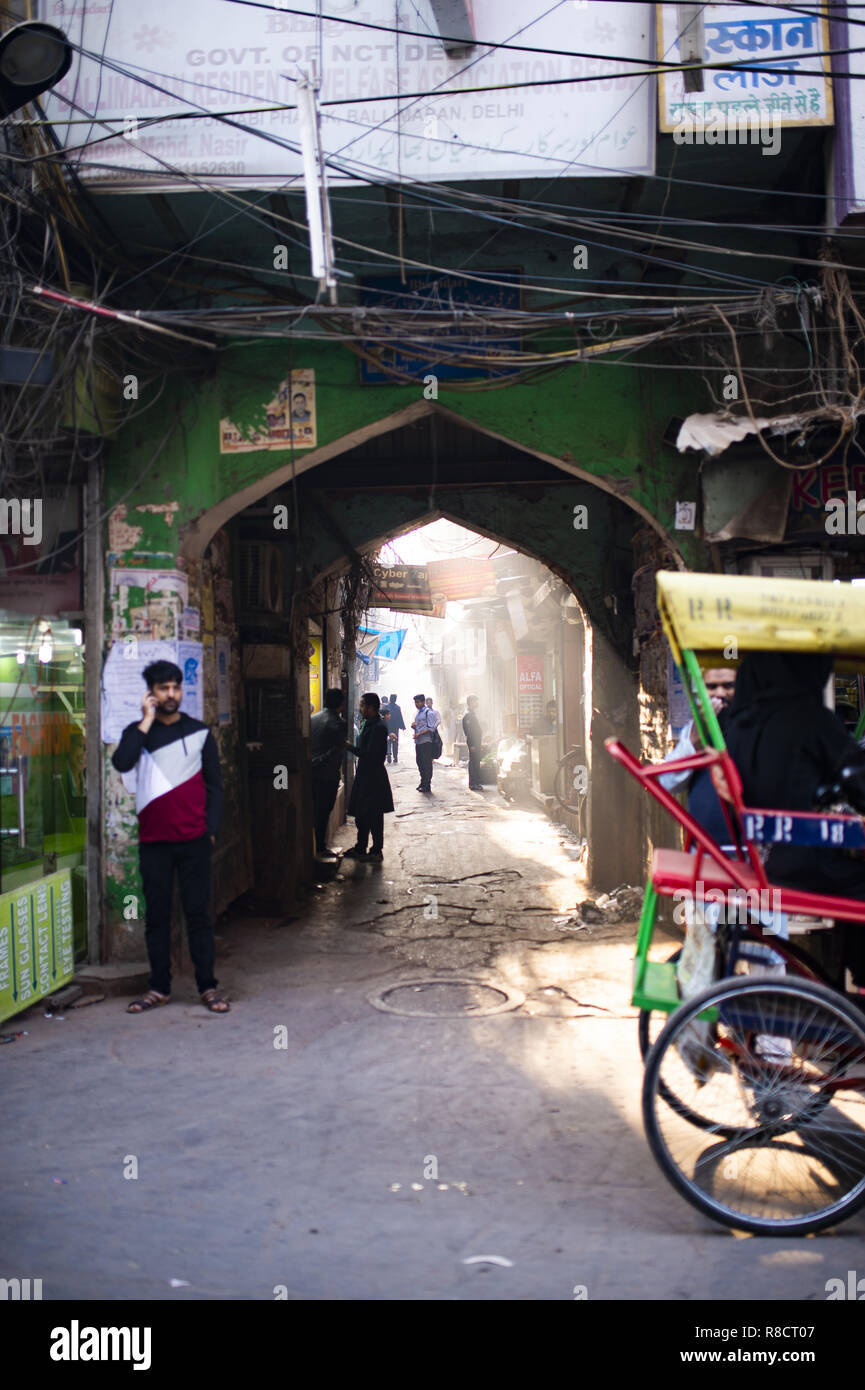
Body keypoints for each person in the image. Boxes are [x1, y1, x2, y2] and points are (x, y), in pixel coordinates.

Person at [725, 651, 865, 990]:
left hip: (760, 858)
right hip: (800, 864)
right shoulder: (809, 718)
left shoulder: (737, 720)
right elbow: (857, 780)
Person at [111, 660, 228, 1015]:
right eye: (164, 689)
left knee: (198, 915)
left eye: (175, 687)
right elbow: (121, 762)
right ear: (151, 693)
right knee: (157, 917)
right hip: (154, 842)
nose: (171, 694)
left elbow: (215, 786)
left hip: (194, 841)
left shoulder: (199, 733)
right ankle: (159, 987)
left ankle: (208, 987)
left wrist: (209, 829)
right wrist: (145, 721)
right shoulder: (138, 733)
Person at [660, 667, 737, 845]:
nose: (720, 694)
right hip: (703, 848)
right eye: (711, 687)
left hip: (748, 850)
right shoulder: (693, 730)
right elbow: (667, 782)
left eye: (728, 686)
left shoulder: (752, 727)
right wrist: (695, 739)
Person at [343, 693, 393, 861]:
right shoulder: (370, 724)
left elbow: (369, 754)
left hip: (372, 777)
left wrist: (349, 747)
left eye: (363, 705)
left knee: (373, 815)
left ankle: (376, 850)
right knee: (363, 815)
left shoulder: (378, 727)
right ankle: (361, 847)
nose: (360, 708)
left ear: (371, 708)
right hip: (367, 774)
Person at [310, 688, 347, 858]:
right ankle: (321, 846)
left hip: (311, 773)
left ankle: (315, 844)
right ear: (341, 704)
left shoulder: (312, 719)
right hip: (328, 775)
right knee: (323, 811)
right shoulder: (339, 723)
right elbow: (336, 751)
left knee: (314, 809)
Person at [412, 693, 437, 793]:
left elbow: (431, 728)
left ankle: (427, 785)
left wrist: (420, 733)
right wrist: (415, 727)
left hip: (426, 741)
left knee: (426, 763)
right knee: (420, 762)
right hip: (418, 742)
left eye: (418, 702)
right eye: (415, 702)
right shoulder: (418, 713)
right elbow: (420, 726)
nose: (416, 704)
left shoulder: (428, 713)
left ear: (423, 702)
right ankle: (423, 782)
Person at [463, 695, 484, 791]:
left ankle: (475, 782)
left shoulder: (472, 714)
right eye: (476, 701)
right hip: (473, 743)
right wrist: (472, 744)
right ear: (471, 702)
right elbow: (469, 731)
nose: (477, 703)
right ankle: (473, 783)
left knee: (476, 762)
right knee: (473, 762)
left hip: (476, 743)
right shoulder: (468, 715)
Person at [381, 692, 405, 764]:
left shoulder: (385, 707)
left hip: (387, 726)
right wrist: (402, 726)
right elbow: (400, 718)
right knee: (395, 742)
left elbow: (382, 717)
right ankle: (395, 757)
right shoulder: (397, 708)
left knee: (388, 740)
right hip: (395, 727)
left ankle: (388, 753)